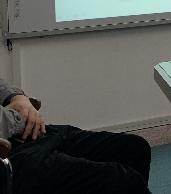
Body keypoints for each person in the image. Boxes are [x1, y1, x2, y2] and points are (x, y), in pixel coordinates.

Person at [0, 78, 151, 193]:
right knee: (125, 181)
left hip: (27, 135)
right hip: (9, 155)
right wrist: (20, 116)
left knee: (135, 148)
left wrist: (16, 97)